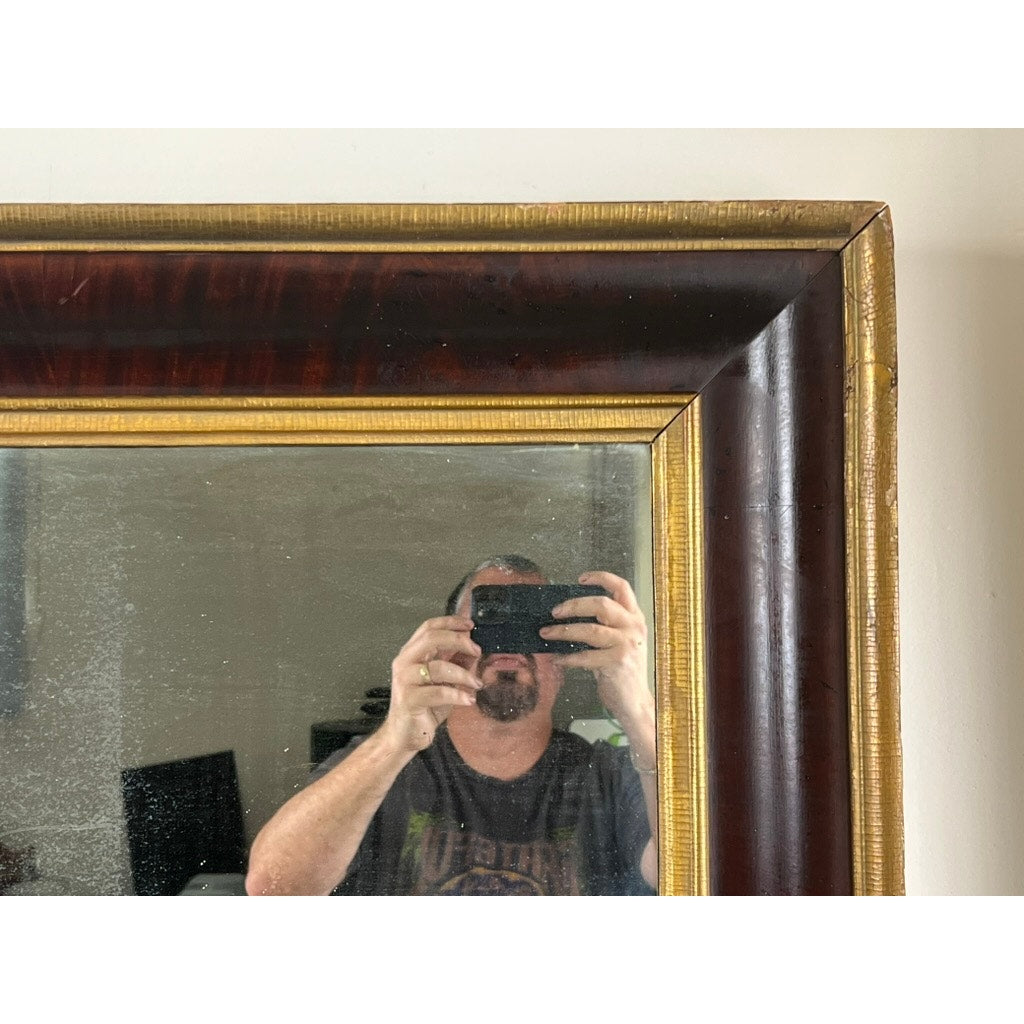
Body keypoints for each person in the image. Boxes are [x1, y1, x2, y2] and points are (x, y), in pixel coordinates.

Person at [245, 555, 658, 895]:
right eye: (490, 620)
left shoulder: (612, 776)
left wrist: (638, 710)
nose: (510, 645)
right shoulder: (385, 769)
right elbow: (272, 888)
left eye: (534, 627)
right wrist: (393, 742)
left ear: (563, 660)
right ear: (446, 646)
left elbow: (685, 875)